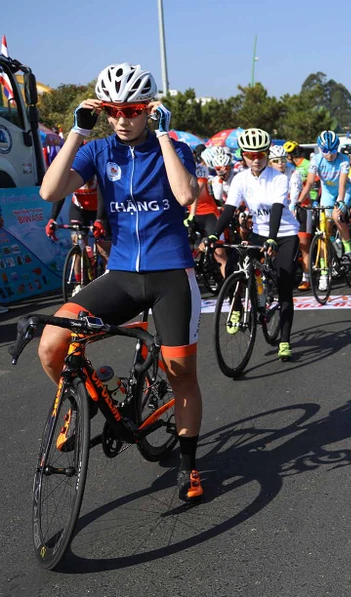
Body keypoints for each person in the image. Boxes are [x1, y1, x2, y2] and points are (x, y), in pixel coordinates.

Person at [37, 62, 204, 501]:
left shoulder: (174, 148)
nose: (121, 120)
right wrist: (77, 132)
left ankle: (188, 465)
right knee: (52, 344)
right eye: (112, 111)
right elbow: (49, 192)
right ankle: (86, 402)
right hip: (123, 274)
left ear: (148, 109)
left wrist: (164, 136)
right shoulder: (99, 150)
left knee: (180, 372)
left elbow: (186, 196)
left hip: (171, 274)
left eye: (131, 111)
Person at [211, 128, 303, 359]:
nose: (256, 159)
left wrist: (272, 238)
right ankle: (237, 307)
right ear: (243, 155)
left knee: (284, 282)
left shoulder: (279, 178)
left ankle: (284, 340)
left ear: (267, 155)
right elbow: (229, 209)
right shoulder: (240, 178)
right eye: (250, 155)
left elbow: (277, 209)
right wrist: (214, 235)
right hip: (260, 232)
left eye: (260, 155)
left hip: (284, 233)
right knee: (233, 262)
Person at [297, 131, 351, 290]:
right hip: (327, 193)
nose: (329, 154)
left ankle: (348, 248)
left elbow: (342, 184)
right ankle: (324, 273)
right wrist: (298, 202)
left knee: (336, 216)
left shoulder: (344, 159)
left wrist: (340, 201)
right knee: (323, 234)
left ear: (337, 148)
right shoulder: (316, 159)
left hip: (343, 191)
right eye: (325, 150)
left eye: (332, 150)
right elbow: (309, 184)